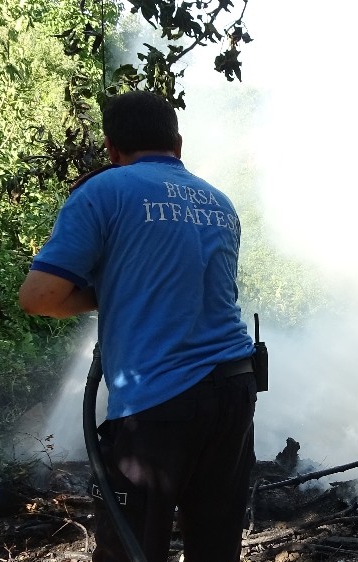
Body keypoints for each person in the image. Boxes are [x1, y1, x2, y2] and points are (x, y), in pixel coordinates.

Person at [18, 90, 258, 562]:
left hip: (158, 404)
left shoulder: (104, 191)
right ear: (178, 143)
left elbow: (37, 298)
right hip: (235, 390)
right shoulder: (220, 202)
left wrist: (106, 291)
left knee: (127, 549)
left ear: (112, 149)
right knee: (215, 547)